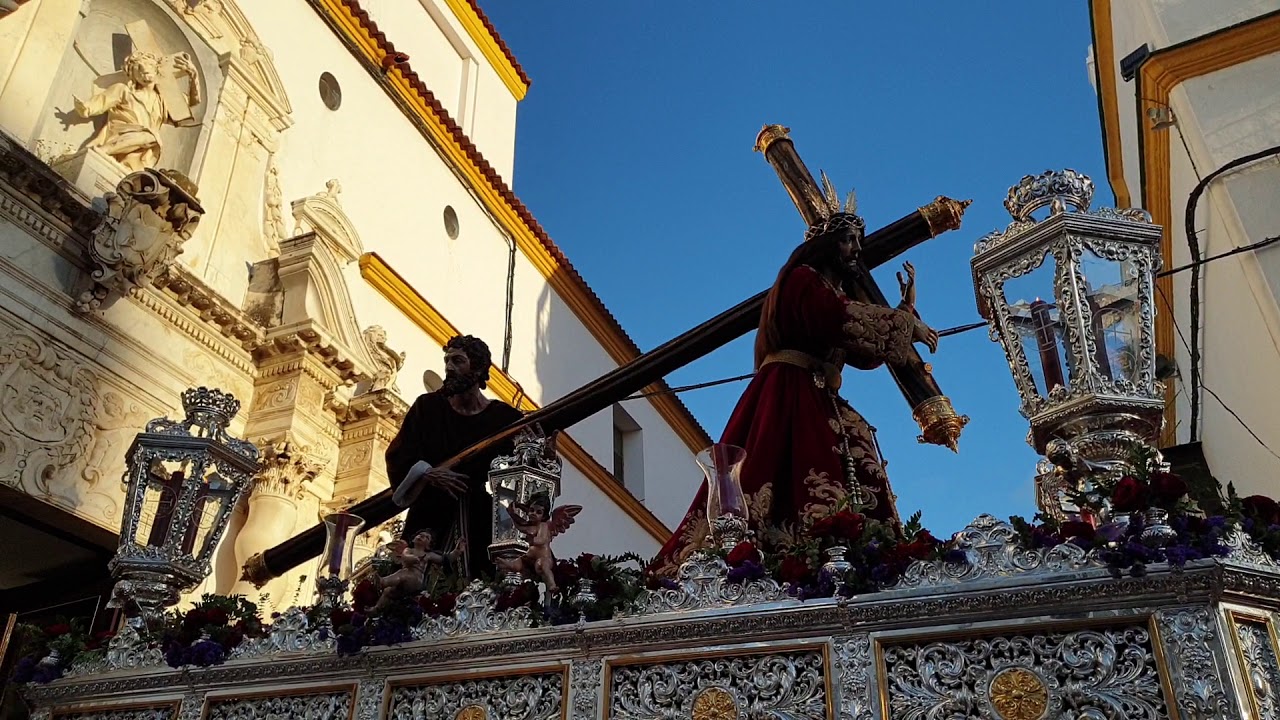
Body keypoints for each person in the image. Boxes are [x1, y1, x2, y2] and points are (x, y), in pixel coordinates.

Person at [649, 211, 940, 575]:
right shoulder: (802, 280)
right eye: (847, 240)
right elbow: (834, 318)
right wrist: (906, 324)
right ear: (825, 246)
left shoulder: (829, 292)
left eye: (857, 242)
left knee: (855, 451)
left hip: (819, 397)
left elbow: (864, 354)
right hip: (790, 392)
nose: (854, 250)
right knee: (780, 473)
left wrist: (904, 311)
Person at [386, 335, 523, 579]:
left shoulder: (505, 419)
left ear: (479, 368)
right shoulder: (427, 408)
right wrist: (427, 473)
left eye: (458, 361)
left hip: (481, 520)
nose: (449, 367)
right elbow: (400, 454)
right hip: (430, 513)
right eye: (447, 360)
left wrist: (546, 454)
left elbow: (522, 470)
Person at [74, 51, 200, 172]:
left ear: (156, 69)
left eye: (149, 66)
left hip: (142, 148)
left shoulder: (163, 100)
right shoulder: (124, 90)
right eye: (138, 69)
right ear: (132, 74)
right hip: (121, 133)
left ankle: (107, 153)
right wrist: (85, 108)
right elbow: (100, 103)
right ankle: (104, 151)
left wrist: (193, 75)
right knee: (152, 136)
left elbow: (191, 103)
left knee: (146, 143)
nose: (144, 72)